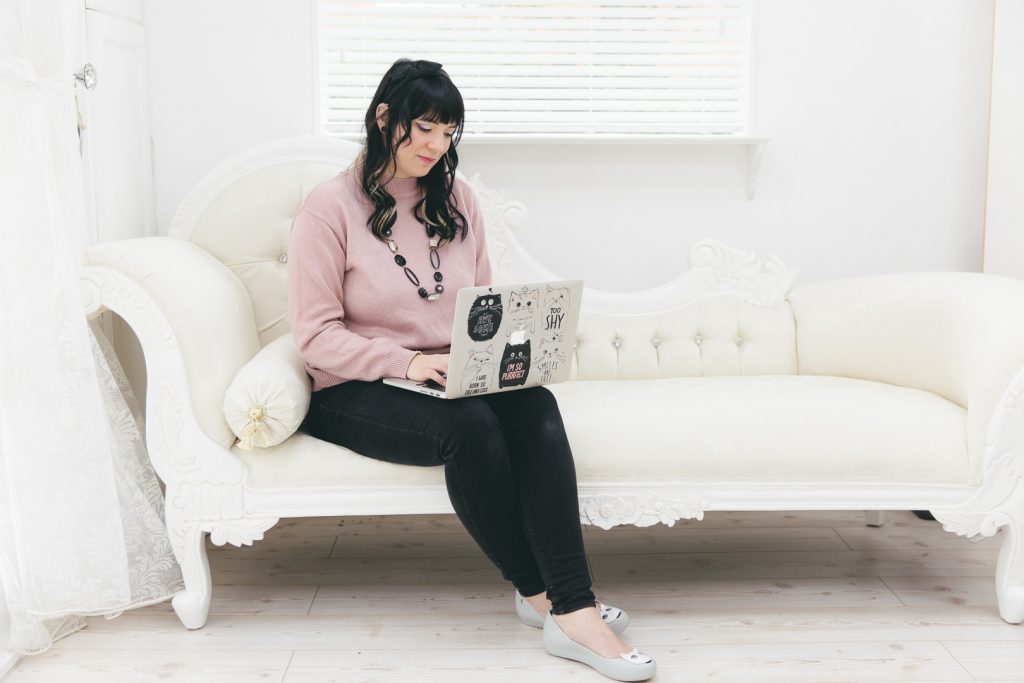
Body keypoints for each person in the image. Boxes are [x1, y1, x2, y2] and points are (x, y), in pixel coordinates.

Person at [287, 58, 656, 681]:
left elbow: (477, 306)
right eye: (425, 129)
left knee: (534, 403)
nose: (437, 146)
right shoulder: (328, 208)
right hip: (352, 386)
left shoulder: (457, 200)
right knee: (471, 428)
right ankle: (554, 604)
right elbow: (315, 335)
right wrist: (408, 361)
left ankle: (569, 601)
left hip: (444, 373)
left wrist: (500, 354)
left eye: (449, 132)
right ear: (384, 118)